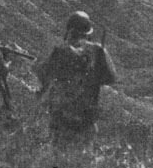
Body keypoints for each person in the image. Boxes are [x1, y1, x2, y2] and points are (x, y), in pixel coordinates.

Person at [36, 11, 116, 144]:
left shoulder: (60, 50)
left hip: (60, 116)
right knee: (80, 158)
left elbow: (44, 74)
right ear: (88, 32)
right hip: (86, 117)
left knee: (57, 156)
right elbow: (111, 78)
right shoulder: (98, 51)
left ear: (69, 30)